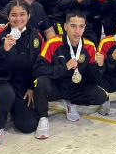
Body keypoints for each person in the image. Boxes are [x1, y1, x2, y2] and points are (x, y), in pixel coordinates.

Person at [33, 11, 108, 139]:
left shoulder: (90, 46)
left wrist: (99, 66)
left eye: (81, 26)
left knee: (101, 96)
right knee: (41, 82)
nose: (77, 31)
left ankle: (71, 103)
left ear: (84, 27)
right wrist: (65, 67)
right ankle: (43, 118)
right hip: (56, 87)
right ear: (65, 26)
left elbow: (92, 78)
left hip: (76, 87)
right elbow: (38, 70)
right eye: (73, 26)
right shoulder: (52, 43)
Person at [0, 0, 42, 144]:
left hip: (22, 86)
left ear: (28, 15)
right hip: (0, 82)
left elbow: (38, 65)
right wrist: (3, 49)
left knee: (28, 126)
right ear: (8, 17)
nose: (18, 18)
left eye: (22, 14)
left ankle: (12, 109)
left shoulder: (36, 36)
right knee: (5, 93)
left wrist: (31, 87)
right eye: (14, 15)